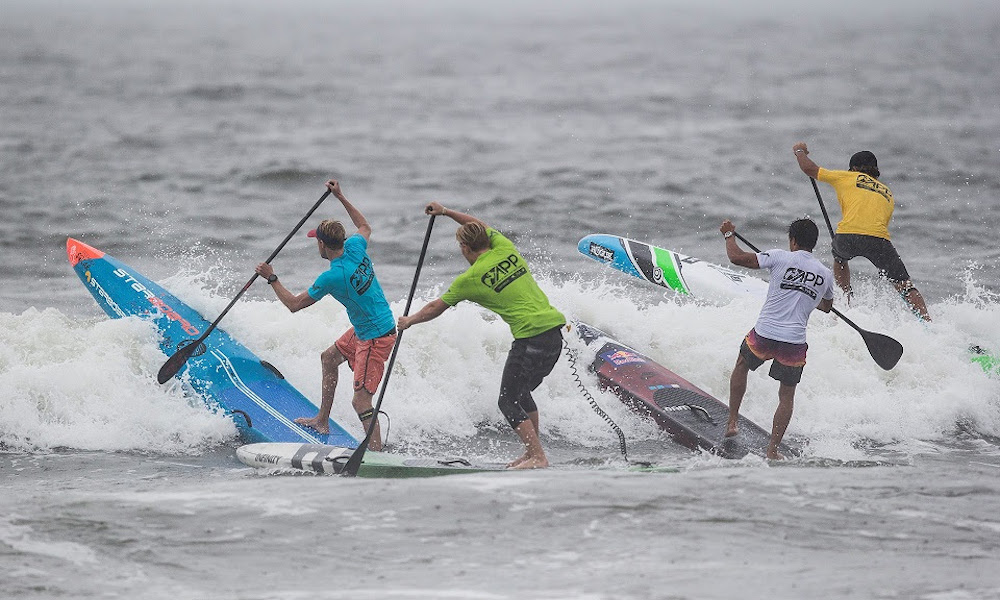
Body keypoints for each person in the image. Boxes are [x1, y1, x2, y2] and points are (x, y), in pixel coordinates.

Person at [397, 202, 566, 469]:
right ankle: (532, 453)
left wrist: (409, 321)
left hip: (530, 337)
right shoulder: (505, 248)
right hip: (554, 334)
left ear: (465, 248)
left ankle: (537, 457)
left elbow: (435, 307)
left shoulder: (470, 279)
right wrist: (446, 212)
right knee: (521, 394)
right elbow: (478, 223)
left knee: (507, 400)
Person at [255, 179, 396, 450]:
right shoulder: (355, 247)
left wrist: (271, 277)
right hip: (369, 326)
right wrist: (341, 197)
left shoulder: (333, 276)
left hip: (376, 336)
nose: (315, 246)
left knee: (361, 402)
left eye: (316, 242)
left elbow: (294, 305)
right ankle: (322, 420)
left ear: (323, 245)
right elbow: (365, 226)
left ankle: (376, 454)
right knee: (329, 358)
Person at [720, 218, 834, 460]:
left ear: (793, 241)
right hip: (794, 342)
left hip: (765, 334)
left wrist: (729, 235)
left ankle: (732, 422)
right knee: (786, 395)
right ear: (813, 244)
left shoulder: (779, 257)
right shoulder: (825, 274)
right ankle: (772, 450)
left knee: (742, 365)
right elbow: (826, 306)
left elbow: (737, 258)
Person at [793, 142, 931, 321]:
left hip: (847, 236)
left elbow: (808, 168)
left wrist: (799, 151)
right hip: (879, 239)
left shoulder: (847, 177)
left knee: (840, 258)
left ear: (853, 168)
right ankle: (928, 324)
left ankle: (846, 301)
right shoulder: (887, 192)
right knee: (905, 286)